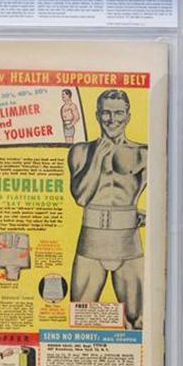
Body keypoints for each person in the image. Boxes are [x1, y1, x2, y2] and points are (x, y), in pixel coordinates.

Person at [68, 89, 146, 329]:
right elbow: (81, 197)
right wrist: (97, 158)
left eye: (119, 113)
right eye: (106, 113)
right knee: (81, 318)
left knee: (137, 320)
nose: (113, 120)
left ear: (128, 116)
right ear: (97, 115)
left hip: (128, 243)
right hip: (91, 242)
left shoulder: (144, 153)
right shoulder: (80, 151)